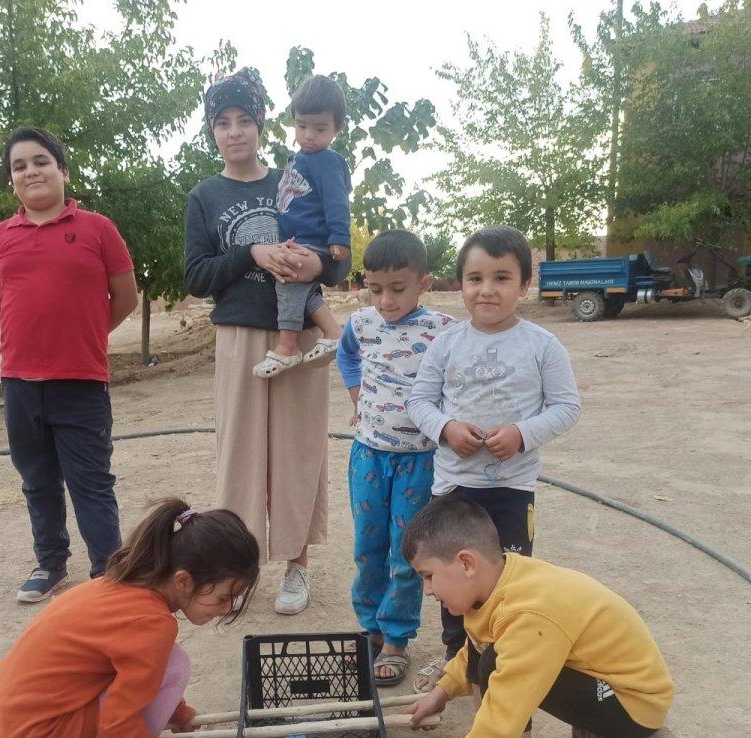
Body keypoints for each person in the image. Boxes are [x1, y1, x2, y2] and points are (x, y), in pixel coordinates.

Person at [183, 68, 347, 615]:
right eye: (222, 123)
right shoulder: (204, 196)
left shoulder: (294, 175)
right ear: (212, 131)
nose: (234, 132)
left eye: (244, 120)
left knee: (299, 453)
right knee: (240, 458)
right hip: (239, 338)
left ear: (260, 124)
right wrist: (251, 253)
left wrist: (317, 264)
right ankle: (235, 571)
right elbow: (196, 276)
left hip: (297, 336)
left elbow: (334, 255)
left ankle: (297, 565)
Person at [402, 495, 674, 738]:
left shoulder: (529, 614)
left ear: (466, 563)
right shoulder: (502, 578)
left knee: (498, 669)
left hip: (631, 703)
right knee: (491, 657)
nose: (428, 590)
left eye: (428, 576)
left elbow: (504, 717)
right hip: (600, 680)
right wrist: (443, 691)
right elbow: (475, 645)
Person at [0, 498, 260, 738]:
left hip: (23, 727)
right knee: (175, 666)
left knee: (167, 663)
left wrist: (176, 711)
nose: (226, 609)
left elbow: (132, 672)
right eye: (224, 597)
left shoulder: (121, 586)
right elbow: (118, 723)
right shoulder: (151, 623)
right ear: (183, 581)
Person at [405, 225, 581, 691]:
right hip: (453, 488)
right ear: (460, 284)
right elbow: (419, 401)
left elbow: (567, 407)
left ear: (525, 285)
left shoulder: (542, 345)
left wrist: (522, 434)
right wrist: (447, 428)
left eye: (502, 278)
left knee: (508, 580)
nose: (487, 289)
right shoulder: (446, 343)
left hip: (511, 490)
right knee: (449, 575)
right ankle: (455, 659)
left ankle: (504, 662)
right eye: (475, 278)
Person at [0, 127, 138, 603]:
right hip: (20, 383)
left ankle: (109, 572)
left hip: (81, 381)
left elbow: (125, 297)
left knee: (91, 482)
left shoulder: (98, 229)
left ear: (63, 171)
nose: (31, 172)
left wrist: (83, 335)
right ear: (12, 179)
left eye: (41, 161)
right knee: (37, 481)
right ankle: (50, 564)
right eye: (19, 166)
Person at [336, 230, 455, 687]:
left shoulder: (443, 330)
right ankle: (370, 627)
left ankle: (396, 639)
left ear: (423, 283)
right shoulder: (360, 324)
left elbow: (459, 380)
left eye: (398, 289)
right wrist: (357, 397)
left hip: (419, 461)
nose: (386, 300)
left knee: (406, 553)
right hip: (368, 456)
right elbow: (347, 358)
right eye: (375, 288)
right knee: (367, 549)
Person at [252, 74, 350, 378]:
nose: (309, 135)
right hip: (297, 237)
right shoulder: (297, 159)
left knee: (287, 280)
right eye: (302, 126)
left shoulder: (327, 161)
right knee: (302, 291)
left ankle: (287, 347)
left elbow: (337, 201)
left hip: (313, 239)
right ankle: (334, 332)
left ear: (337, 128)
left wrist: (340, 238)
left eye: (320, 129)